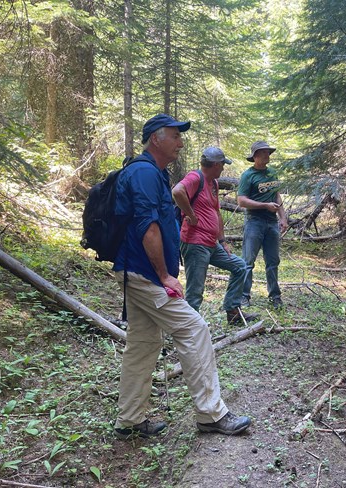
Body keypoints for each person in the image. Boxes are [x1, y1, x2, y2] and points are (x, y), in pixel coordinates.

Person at [112, 114, 251, 439]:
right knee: (196, 329)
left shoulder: (151, 173)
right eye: (175, 136)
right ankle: (211, 414)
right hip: (145, 274)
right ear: (156, 139)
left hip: (135, 272)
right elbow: (148, 227)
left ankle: (129, 421)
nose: (181, 142)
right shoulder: (145, 173)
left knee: (143, 344)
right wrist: (164, 275)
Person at [172, 146, 258, 325]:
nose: (224, 168)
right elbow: (177, 191)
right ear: (216, 165)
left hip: (212, 244)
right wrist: (190, 214)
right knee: (195, 290)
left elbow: (216, 212)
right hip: (195, 243)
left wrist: (222, 240)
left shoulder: (214, 183)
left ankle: (233, 312)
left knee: (240, 267)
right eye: (222, 165)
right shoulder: (196, 177)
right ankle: (189, 328)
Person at [237, 141, 288, 309]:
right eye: (264, 152)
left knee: (273, 261)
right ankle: (244, 296)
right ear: (255, 156)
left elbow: (276, 196)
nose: (267, 155)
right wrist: (264, 205)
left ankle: (275, 296)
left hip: (272, 223)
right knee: (248, 261)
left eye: (268, 152)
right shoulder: (248, 175)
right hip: (254, 222)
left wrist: (282, 217)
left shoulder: (273, 173)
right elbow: (241, 201)